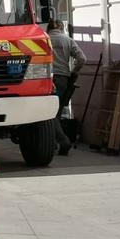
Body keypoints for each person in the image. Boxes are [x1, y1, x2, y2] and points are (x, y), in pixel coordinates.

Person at [47, 19, 85, 156]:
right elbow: (82, 58)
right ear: (62, 28)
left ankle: (63, 142)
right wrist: (74, 71)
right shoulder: (67, 40)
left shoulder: (45, 40)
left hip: (48, 79)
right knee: (56, 113)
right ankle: (53, 144)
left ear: (48, 28)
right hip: (63, 79)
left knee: (49, 114)